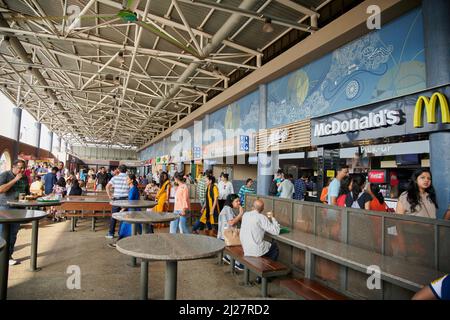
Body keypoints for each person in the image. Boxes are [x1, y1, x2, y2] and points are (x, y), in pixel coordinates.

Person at [240, 199, 280, 283]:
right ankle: (266, 274)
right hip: (255, 250)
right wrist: (272, 217)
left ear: (252, 207)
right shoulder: (261, 217)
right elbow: (276, 231)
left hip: (245, 248)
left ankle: (263, 269)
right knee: (274, 247)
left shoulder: (245, 215)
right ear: (262, 209)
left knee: (267, 246)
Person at [0, 159, 30, 265]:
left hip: (19, 208)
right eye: (19, 168)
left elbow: (27, 192)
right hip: (5, 207)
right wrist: (15, 180)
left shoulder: (25, 177)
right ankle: (1, 257)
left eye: (23, 168)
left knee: (13, 233)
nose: (21, 170)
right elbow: (1, 189)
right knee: (3, 233)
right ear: (13, 167)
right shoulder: (5, 175)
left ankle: (8, 257)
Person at [218, 193, 245, 270]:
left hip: (223, 236)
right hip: (226, 238)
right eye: (237, 201)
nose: (239, 203)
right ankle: (238, 263)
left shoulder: (227, 208)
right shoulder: (228, 209)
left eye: (239, 201)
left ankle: (228, 257)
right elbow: (231, 222)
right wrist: (240, 214)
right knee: (242, 244)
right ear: (231, 202)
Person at [105, 165, 130, 239]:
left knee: (114, 216)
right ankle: (122, 234)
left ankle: (111, 233)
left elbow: (107, 187)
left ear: (119, 170)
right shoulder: (128, 178)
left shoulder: (115, 178)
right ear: (126, 170)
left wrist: (110, 196)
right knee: (125, 217)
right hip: (126, 200)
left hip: (116, 200)